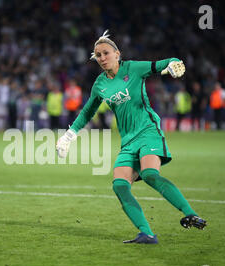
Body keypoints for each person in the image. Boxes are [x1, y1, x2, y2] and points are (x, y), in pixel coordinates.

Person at [56, 30, 207, 244]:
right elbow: (88, 111)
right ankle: (146, 233)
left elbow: (162, 63)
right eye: (98, 55)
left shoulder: (133, 68)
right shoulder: (100, 84)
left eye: (106, 53)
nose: (102, 58)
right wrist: (68, 136)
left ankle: (190, 213)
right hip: (127, 140)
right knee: (119, 185)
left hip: (148, 130)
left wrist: (173, 64)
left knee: (150, 174)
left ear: (117, 53)